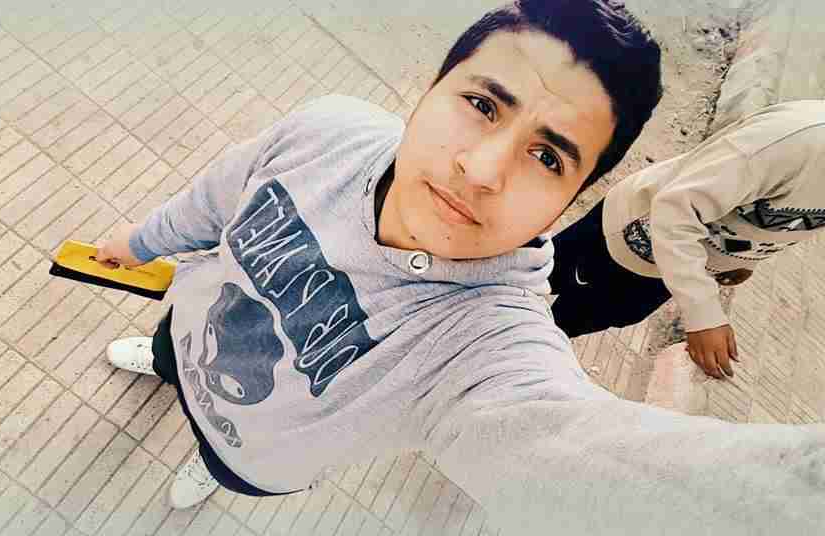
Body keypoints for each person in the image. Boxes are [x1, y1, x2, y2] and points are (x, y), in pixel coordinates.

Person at [94, 1, 825, 532]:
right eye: (481, 104)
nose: (481, 169)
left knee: (222, 457)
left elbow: (568, 452)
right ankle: (164, 364)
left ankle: (208, 458)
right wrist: (144, 242)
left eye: (548, 157)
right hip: (191, 319)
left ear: (575, 194)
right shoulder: (327, 132)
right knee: (169, 351)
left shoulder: (486, 343)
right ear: (428, 92)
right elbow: (217, 195)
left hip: (254, 455)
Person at [549, 100, 825, 380]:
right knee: (538, 277)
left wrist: (744, 261)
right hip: (631, 235)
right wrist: (704, 314)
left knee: (585, 318)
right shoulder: (790, 143)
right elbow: (675, 209)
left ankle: (527, 345)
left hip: (679, 263)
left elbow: (785, 217)